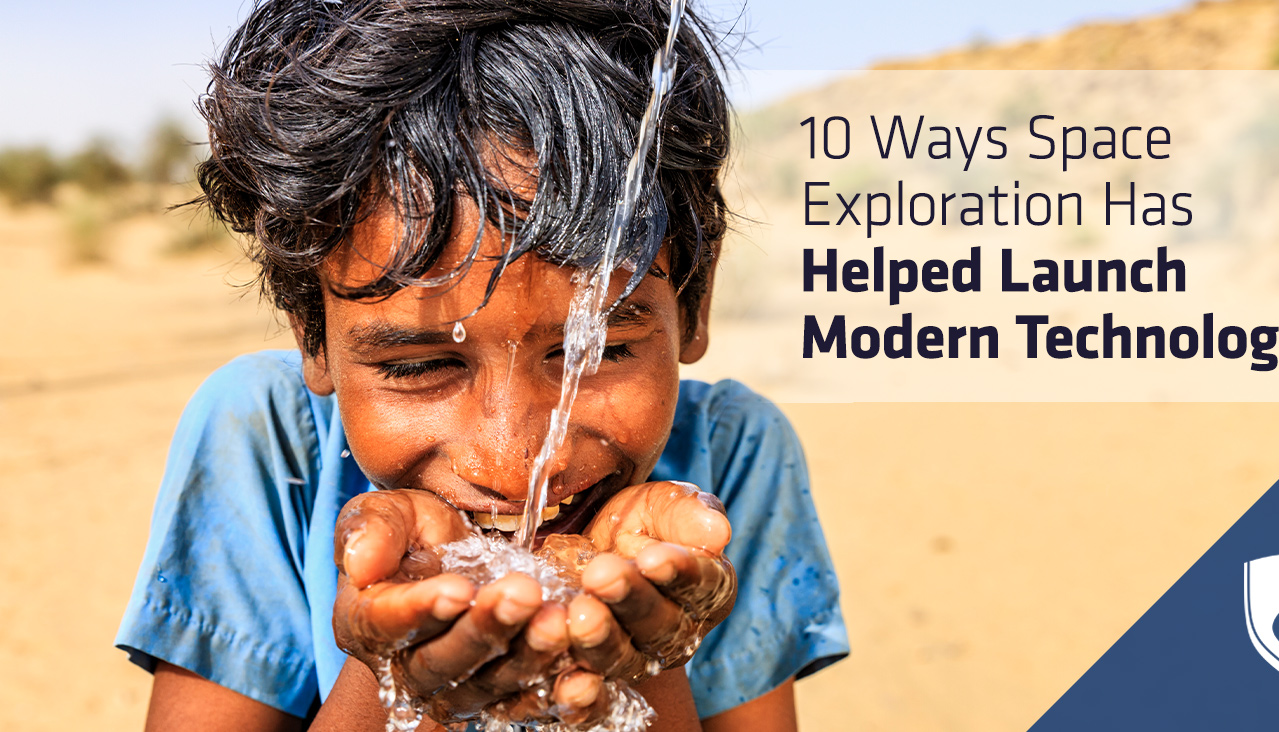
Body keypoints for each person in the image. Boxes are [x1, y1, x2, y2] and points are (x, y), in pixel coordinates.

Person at [115, 0, 848, 729]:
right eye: (417, 368)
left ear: (693, 301)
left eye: (599, 350)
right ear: (312, 333)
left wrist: (641, 654)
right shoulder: (267, 439)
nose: (515, 462)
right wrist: (393, 679)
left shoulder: (734, 456)